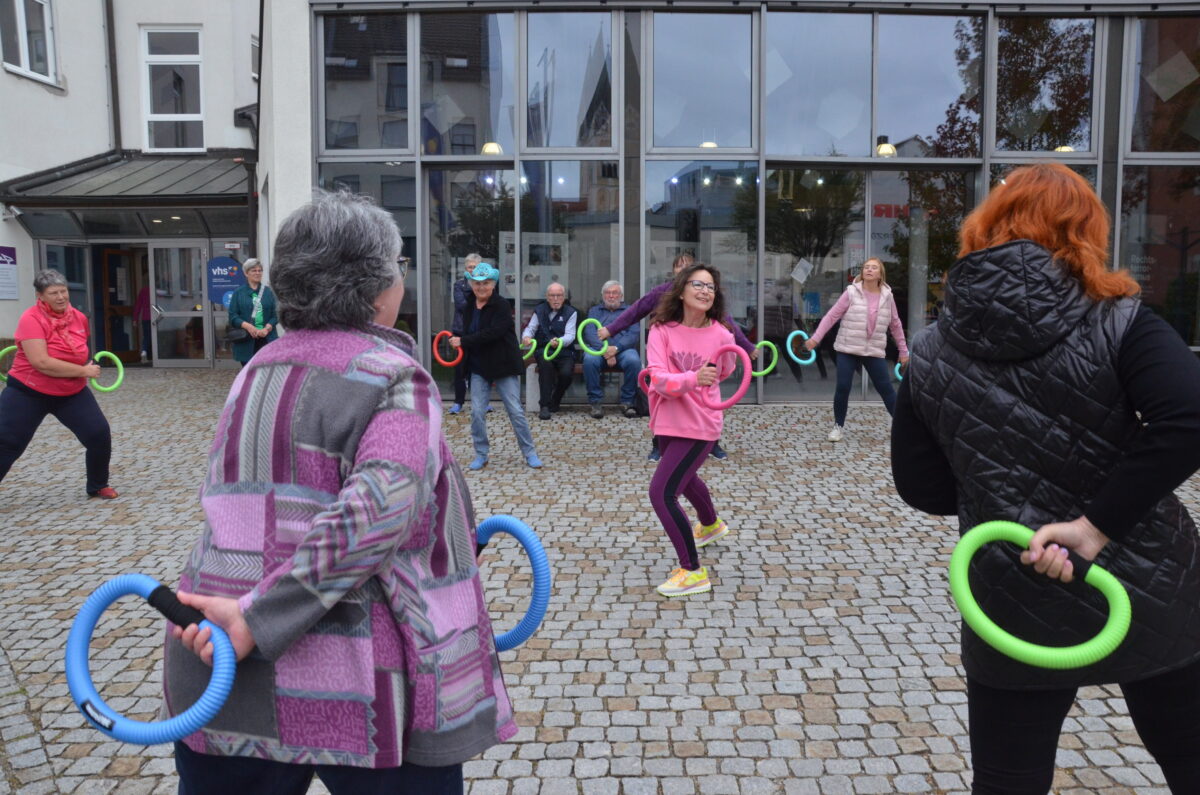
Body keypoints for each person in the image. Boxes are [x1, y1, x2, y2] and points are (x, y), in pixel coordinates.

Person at [164, 191, 516, 793]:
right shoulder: (395, 377)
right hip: (352, 674)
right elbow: (373, 516)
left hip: (218, 657)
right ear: (378, 287)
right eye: (400, 266)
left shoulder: (259, 366)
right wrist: (260, 617)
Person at [892, 163, 1200, 794]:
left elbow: (919, 486)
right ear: (1083, 231)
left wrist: (1004, 495)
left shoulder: (928, 348)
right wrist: (1093, 528)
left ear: (987, 228)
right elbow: (1189, 416)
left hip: (1010, 582)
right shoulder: (1120, 319)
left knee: (1010, 779)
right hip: (1150, 580)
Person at [598, 253, 756, 461]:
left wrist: (747, 347)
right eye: (680, 267)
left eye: (705, 284)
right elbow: (636, 311)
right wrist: (610, 329)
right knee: (666, 406)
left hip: (702, 405)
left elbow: (728, 330)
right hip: (669, 384)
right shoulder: (661, 304)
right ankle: (658, 445)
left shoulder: (716, 325)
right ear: (674, 273)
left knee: (704, 402)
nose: (702, 289)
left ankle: (712, 444)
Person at [644, 263, 739, 598]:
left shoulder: (722, 335)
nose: (704, 291)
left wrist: (699, 384)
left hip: (700, 425)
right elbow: (657, 378)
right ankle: (711, 525)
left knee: (662, 493)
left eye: (711, 287)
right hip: (667, 421)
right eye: (698, 284)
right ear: (681, 290)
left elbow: (725, 370)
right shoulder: (661, 330)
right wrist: (692, 379)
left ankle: (692, 570)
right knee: (686, 481)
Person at [0, 270, 118, 500]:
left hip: (70, 391)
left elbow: (78, 349)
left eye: (63, 291)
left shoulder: (79, 317)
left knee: (98, 434)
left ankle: (98, 485)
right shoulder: (30, 319)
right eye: (53, 293)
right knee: (8, 443)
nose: (61, 297)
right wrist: (84, 371)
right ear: (40, 296)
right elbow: (42, 362)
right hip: (28, 391)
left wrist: (85, 364)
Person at [804, 257, 908, 442]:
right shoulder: (851, 292)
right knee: (843, 387)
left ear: (880, 274)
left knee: (886, 389)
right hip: (848, 348)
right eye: (866, 267)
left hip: (873, 350)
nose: (869, 270)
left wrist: (903, 351)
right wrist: (815, 338)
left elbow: (896, 324)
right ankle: (838, 426)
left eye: (873, 267)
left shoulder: (887, 296)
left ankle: (903, 428)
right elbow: (832, 315)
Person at [451, 263, 543, 470]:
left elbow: (494, 332)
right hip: (478, 366)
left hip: (503, 364)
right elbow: (465, 333)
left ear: (493, 284)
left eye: (485, 283)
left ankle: (530, 453)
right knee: (476, 412)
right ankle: (481, 454)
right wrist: (458, 340)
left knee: (515, 411)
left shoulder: (501, 305)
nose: (481, 287)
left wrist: (464, 341)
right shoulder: (467, 307)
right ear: (472, 284)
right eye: (477, 283)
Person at [582, 281, 641, 419]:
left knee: (634, 360)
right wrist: (606, 350)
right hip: (599, 350)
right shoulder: (594, 311)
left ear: (621, 296)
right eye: (608, 293)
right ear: (603, 295)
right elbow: (589, 333)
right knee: (589, 360)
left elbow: (633, 334)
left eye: (615, 293)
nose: (611, 296)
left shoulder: (630, 311)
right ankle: (595, 402)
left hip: (622, 350)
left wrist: (615, 349)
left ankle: (628, 402)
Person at [521, 282, 578, 421]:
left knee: (566, 374)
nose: (556, 299)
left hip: (564, 351)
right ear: (547, 297)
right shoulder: (539, 310)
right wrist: (526, 337)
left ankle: (556, 398)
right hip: (543, 349)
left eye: (559, 295)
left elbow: (570, 335)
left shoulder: (571, 312)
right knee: (546, 368)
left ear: (564, 297)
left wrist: (559, 341)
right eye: (552, 295)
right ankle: (544, 406)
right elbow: (531, 328)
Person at [227, 258, 278, 367]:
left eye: (260, 270)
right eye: (254, 270)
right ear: (246, 273)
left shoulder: (268, 292)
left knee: (266, 372)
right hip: (246, 341)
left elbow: (276, 314)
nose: (257, 273)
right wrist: (248, 326)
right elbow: (232, 316)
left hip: (267, 339)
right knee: (248, 374)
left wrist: (267, 328)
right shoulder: (239, 293)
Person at [449, 252, 483, 414]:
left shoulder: (486, 285)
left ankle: (482, 402)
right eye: (470, 267)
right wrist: (478, 297)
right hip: (460, 332)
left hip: (478, 332)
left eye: (475, 267)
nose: (472, 270)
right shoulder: (459, 285)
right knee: (460, 369)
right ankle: (458, 402)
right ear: (465, 269)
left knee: (479, 368)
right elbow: (462, 306)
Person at [134, 284, 152, 363]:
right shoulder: (156, 290)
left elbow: (138, 305)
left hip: (145, 317)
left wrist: (135, 319)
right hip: (155, 317)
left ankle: (144, 351)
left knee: (146, 336)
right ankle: (154, 356)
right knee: (154, 337)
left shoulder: (143, 290)